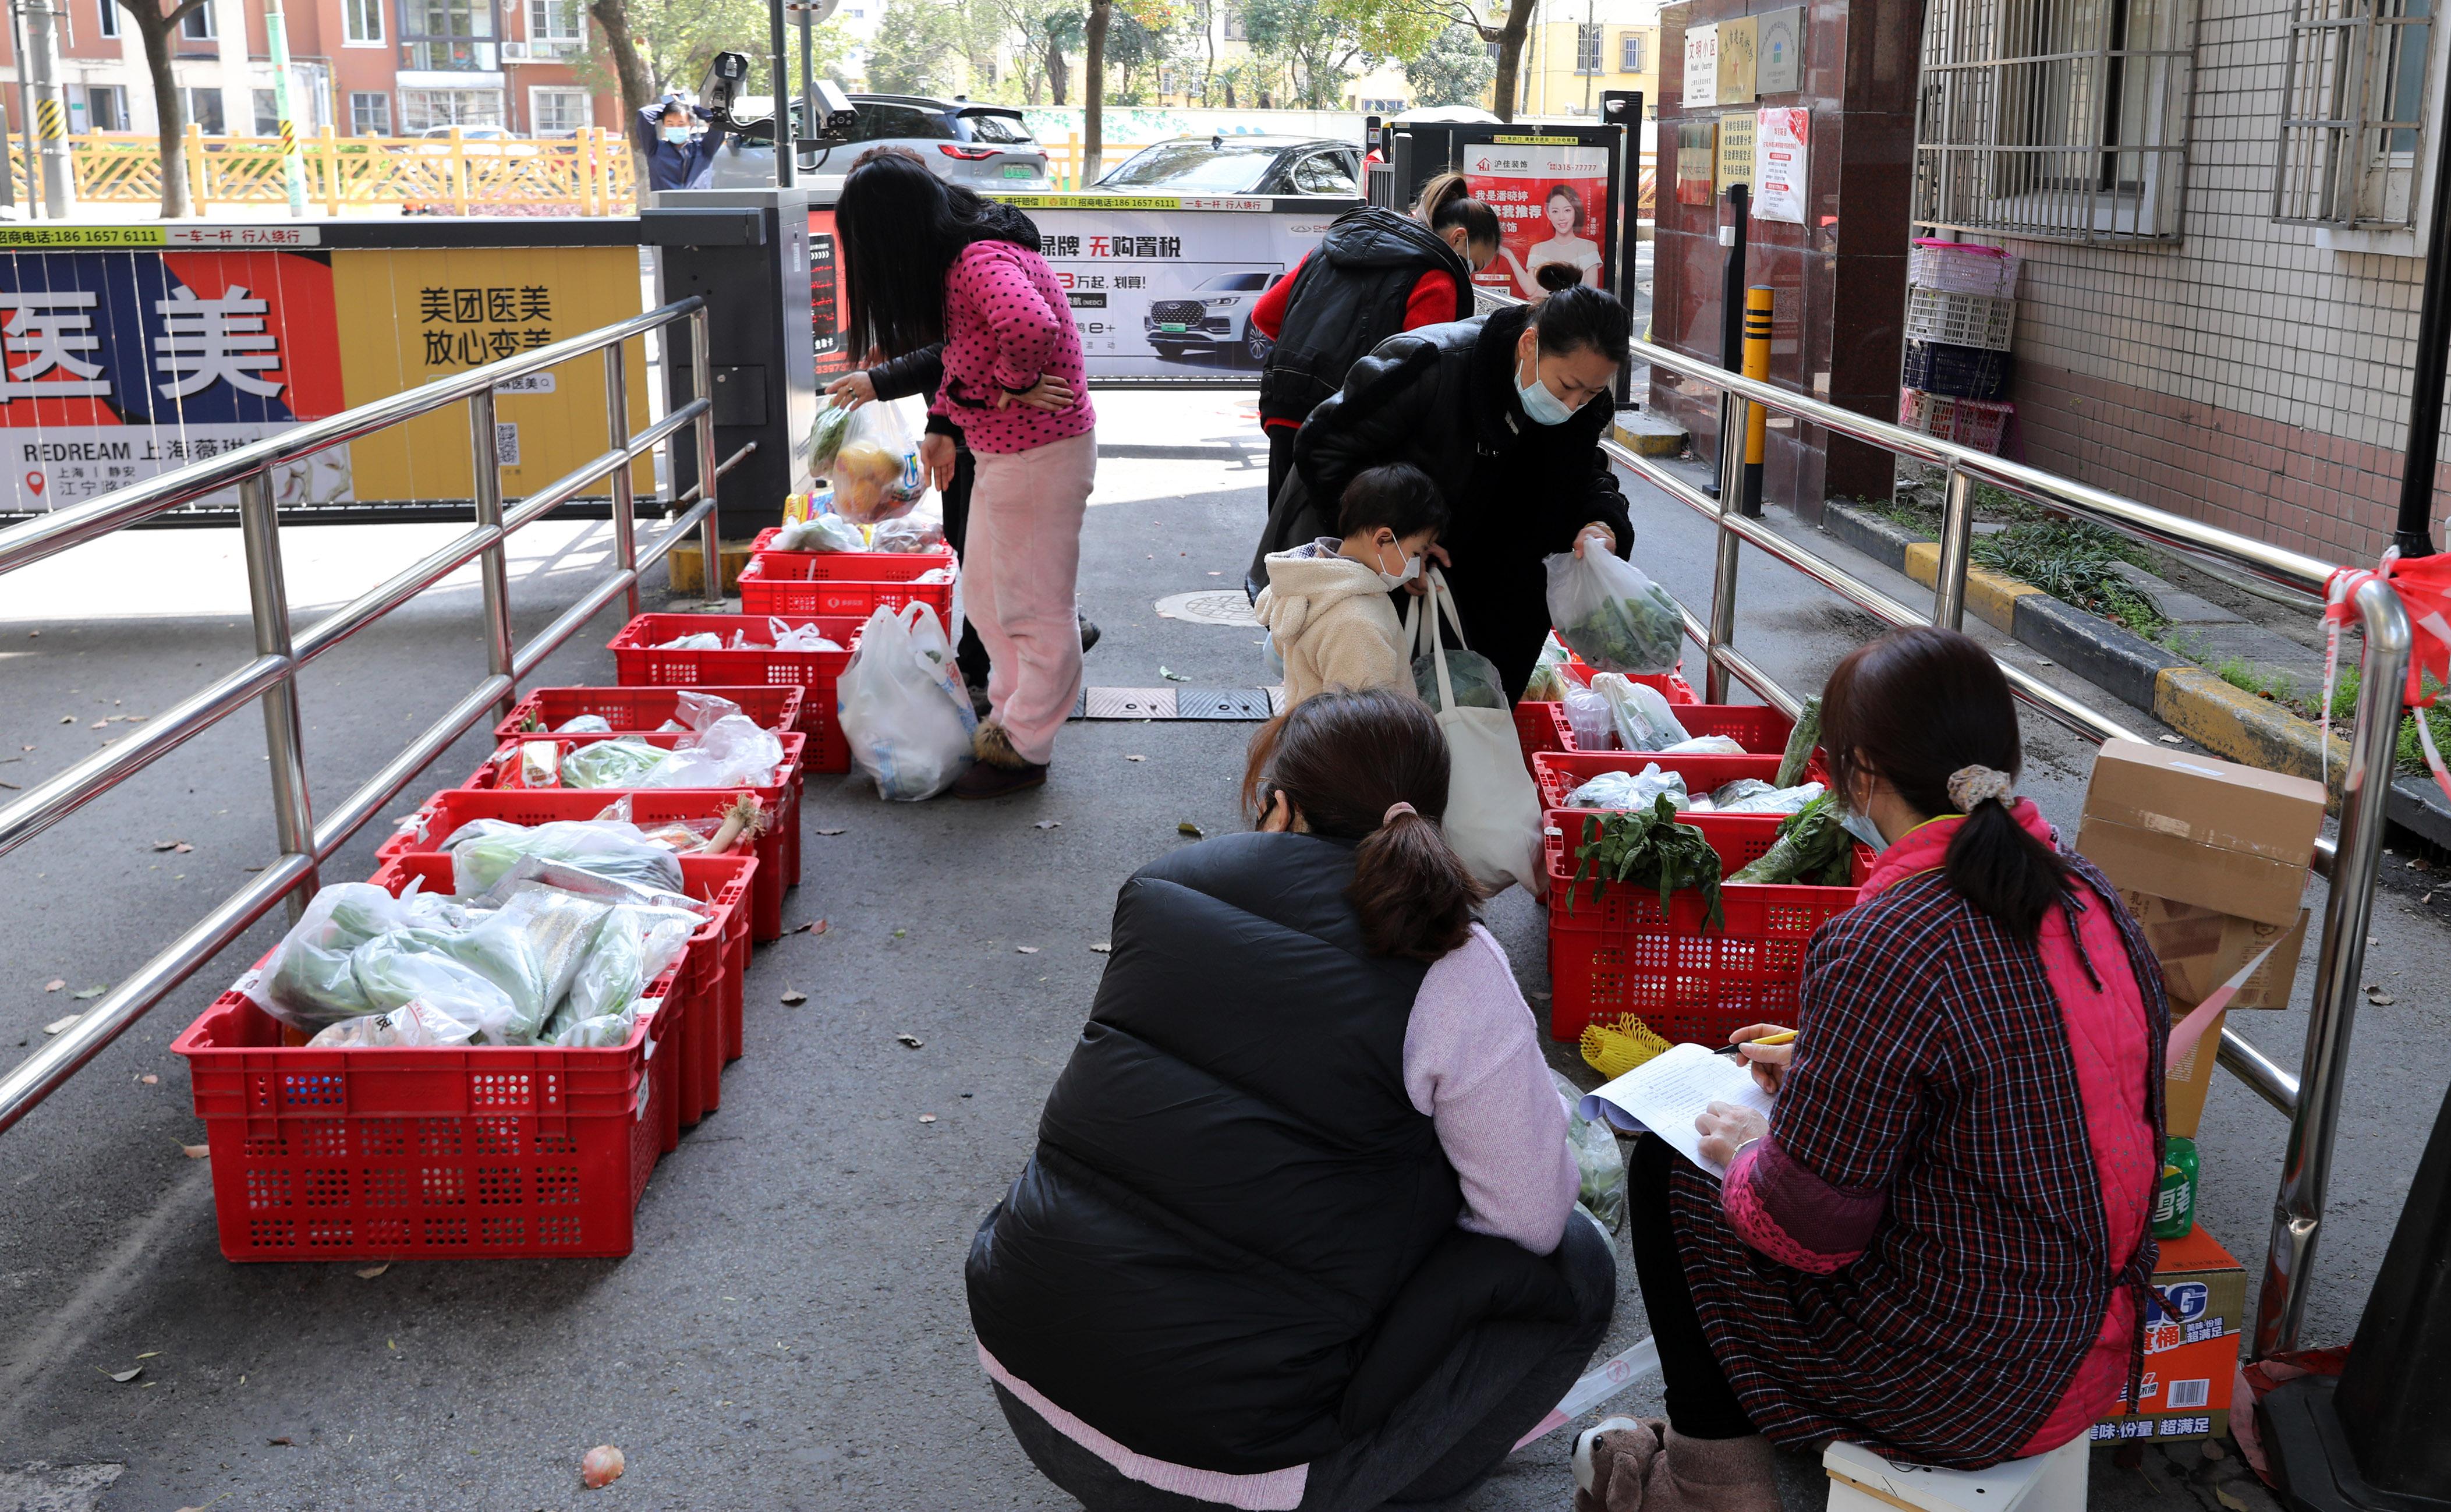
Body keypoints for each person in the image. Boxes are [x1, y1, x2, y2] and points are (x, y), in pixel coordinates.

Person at [968, 688, 1616, 1512]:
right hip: (1232, 1472)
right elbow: (1525, 1217)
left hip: (1031, 1383)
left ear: (1281, 806)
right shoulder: (1450, 965)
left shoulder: (1161, 884)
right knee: (1575, 1259)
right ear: (1423, 819)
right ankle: (1392, 1480)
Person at [1574, 627, 2167, 1512]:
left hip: (1962, 1385)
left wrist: (1746, 1150)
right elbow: (1986, 1077)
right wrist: (1815, 1064)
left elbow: (1808, 1228)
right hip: (2089, 1346)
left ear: (1857, 775)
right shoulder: (2086, 893)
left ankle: (1706, 1484)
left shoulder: (1888, 937)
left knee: (1672, 1166)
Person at [836, 152, 1096, 799]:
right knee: (984, 598)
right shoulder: (965, 261)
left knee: (1032, 608)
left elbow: (1028, 327)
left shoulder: (977, 261)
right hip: (1010, 454)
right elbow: (963, 357)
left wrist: (1015, 385)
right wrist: (950, 418)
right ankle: (1007, 722)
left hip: (1039, 453)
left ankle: (1023, 746)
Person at [1250, 284, 1637, 700]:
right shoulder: (1430, 364)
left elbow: (1585, 473)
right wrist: (1401, 544)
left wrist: (1602, 520)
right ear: (1529, 343)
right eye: (1567, 386)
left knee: (1471, 725)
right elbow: (1321, 445)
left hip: (1500, 601)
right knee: (1375, 725)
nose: (1574, 404)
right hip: (1395, 582)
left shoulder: (1582, 408)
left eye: (1592, 393)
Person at [1249, 174, 1503, 511]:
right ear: (1459, 239)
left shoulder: (1328, 251)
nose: (1470, 273)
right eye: (1475, 264)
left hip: (1284, 409)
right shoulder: (1437, 279)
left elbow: (1265, 314)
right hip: (1350, 427)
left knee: (1285, 544)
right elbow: (1424, 373)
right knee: (1337, 553)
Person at [1255, 462, 1448, 707]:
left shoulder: (1312, 580)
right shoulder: (1357, 623)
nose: (1415, 565)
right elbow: (1366, 726)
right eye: (1416, 552)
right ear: (1383, 538)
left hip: (1308, 737)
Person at [1496, 183, 1604, 298]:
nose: (1561, 217)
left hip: (1575, 314)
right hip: (1543, 313)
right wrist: (1509, 256)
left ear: (1575, 211)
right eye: (1555, 212)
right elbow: (1530, 289)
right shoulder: (1538, 249)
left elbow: (1590, 293)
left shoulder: (1589, 247)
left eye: (1567, 210)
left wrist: (1545, 293)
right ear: (1548, 214)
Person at [633, 96, 727, 193]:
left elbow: (719, 120)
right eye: (670, 124)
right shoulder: (655, 150)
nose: (675, 128)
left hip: (699, 206)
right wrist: (671, 105)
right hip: (666, 206)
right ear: (664, 126)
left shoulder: (704, 149)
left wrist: (691, 106)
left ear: (691, 126)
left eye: (681, 124)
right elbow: (644, 114)